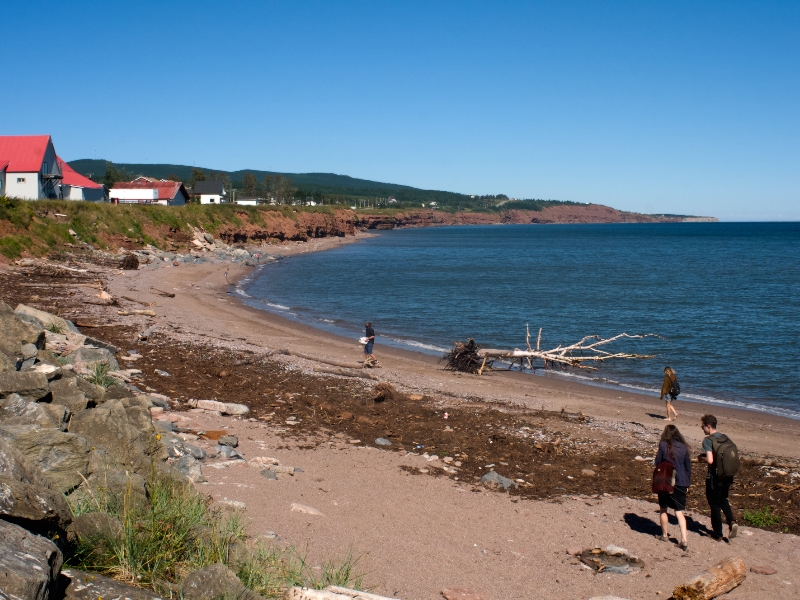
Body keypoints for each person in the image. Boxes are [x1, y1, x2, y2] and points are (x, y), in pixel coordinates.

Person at [700, 414, 738, 541]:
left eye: (702, 426)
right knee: (723, 498)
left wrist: (701, 458)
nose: (702, 429)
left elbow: (710, 460)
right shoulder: (725, 438)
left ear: (708, 426)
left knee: (714, 504)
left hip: (715, 476)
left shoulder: (708, 440)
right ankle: (731, 520)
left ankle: (718, 533)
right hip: (727, 475)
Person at [654, 424, 692, 551]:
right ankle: (684, 540)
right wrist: (687, 483)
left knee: (663, 508)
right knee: (679, 512)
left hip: (666, 481)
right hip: (681, 481)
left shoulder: (664, 445)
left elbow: (657, 462)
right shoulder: (683, 447)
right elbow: (688, 467)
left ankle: (665, 535)